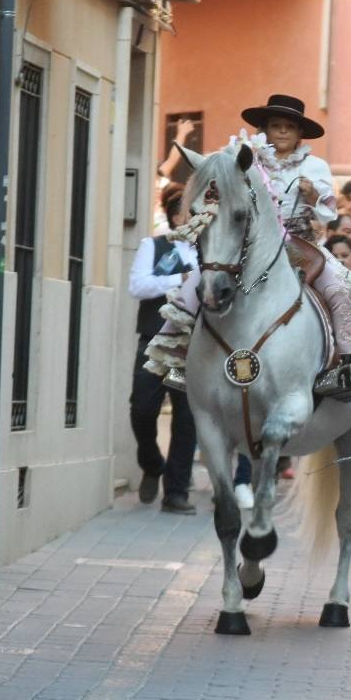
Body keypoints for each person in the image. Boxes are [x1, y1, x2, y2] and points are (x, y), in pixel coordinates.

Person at [142, 93, 351, 398]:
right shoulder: (243, 158)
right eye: (275, 125)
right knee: (200, 285)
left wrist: (312, 196)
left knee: (340, 289)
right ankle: (177, 361)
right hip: (248, 243)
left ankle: (348, 365)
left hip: (299, 243)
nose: (282, 131)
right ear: (264, 130)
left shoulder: (315, 165)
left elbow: (328, 212)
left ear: (299, 134)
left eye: (289, 127)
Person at [127, 183, 199, 515]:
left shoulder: (211, 252)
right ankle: (152, 463)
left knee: (187, 418)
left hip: (194, 345)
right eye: (189, 209)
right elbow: (138, 286)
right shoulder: (154, 245)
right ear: (174, 215)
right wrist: (178, 280)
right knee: (142, 408)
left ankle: (176, 491)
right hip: (155, 342)